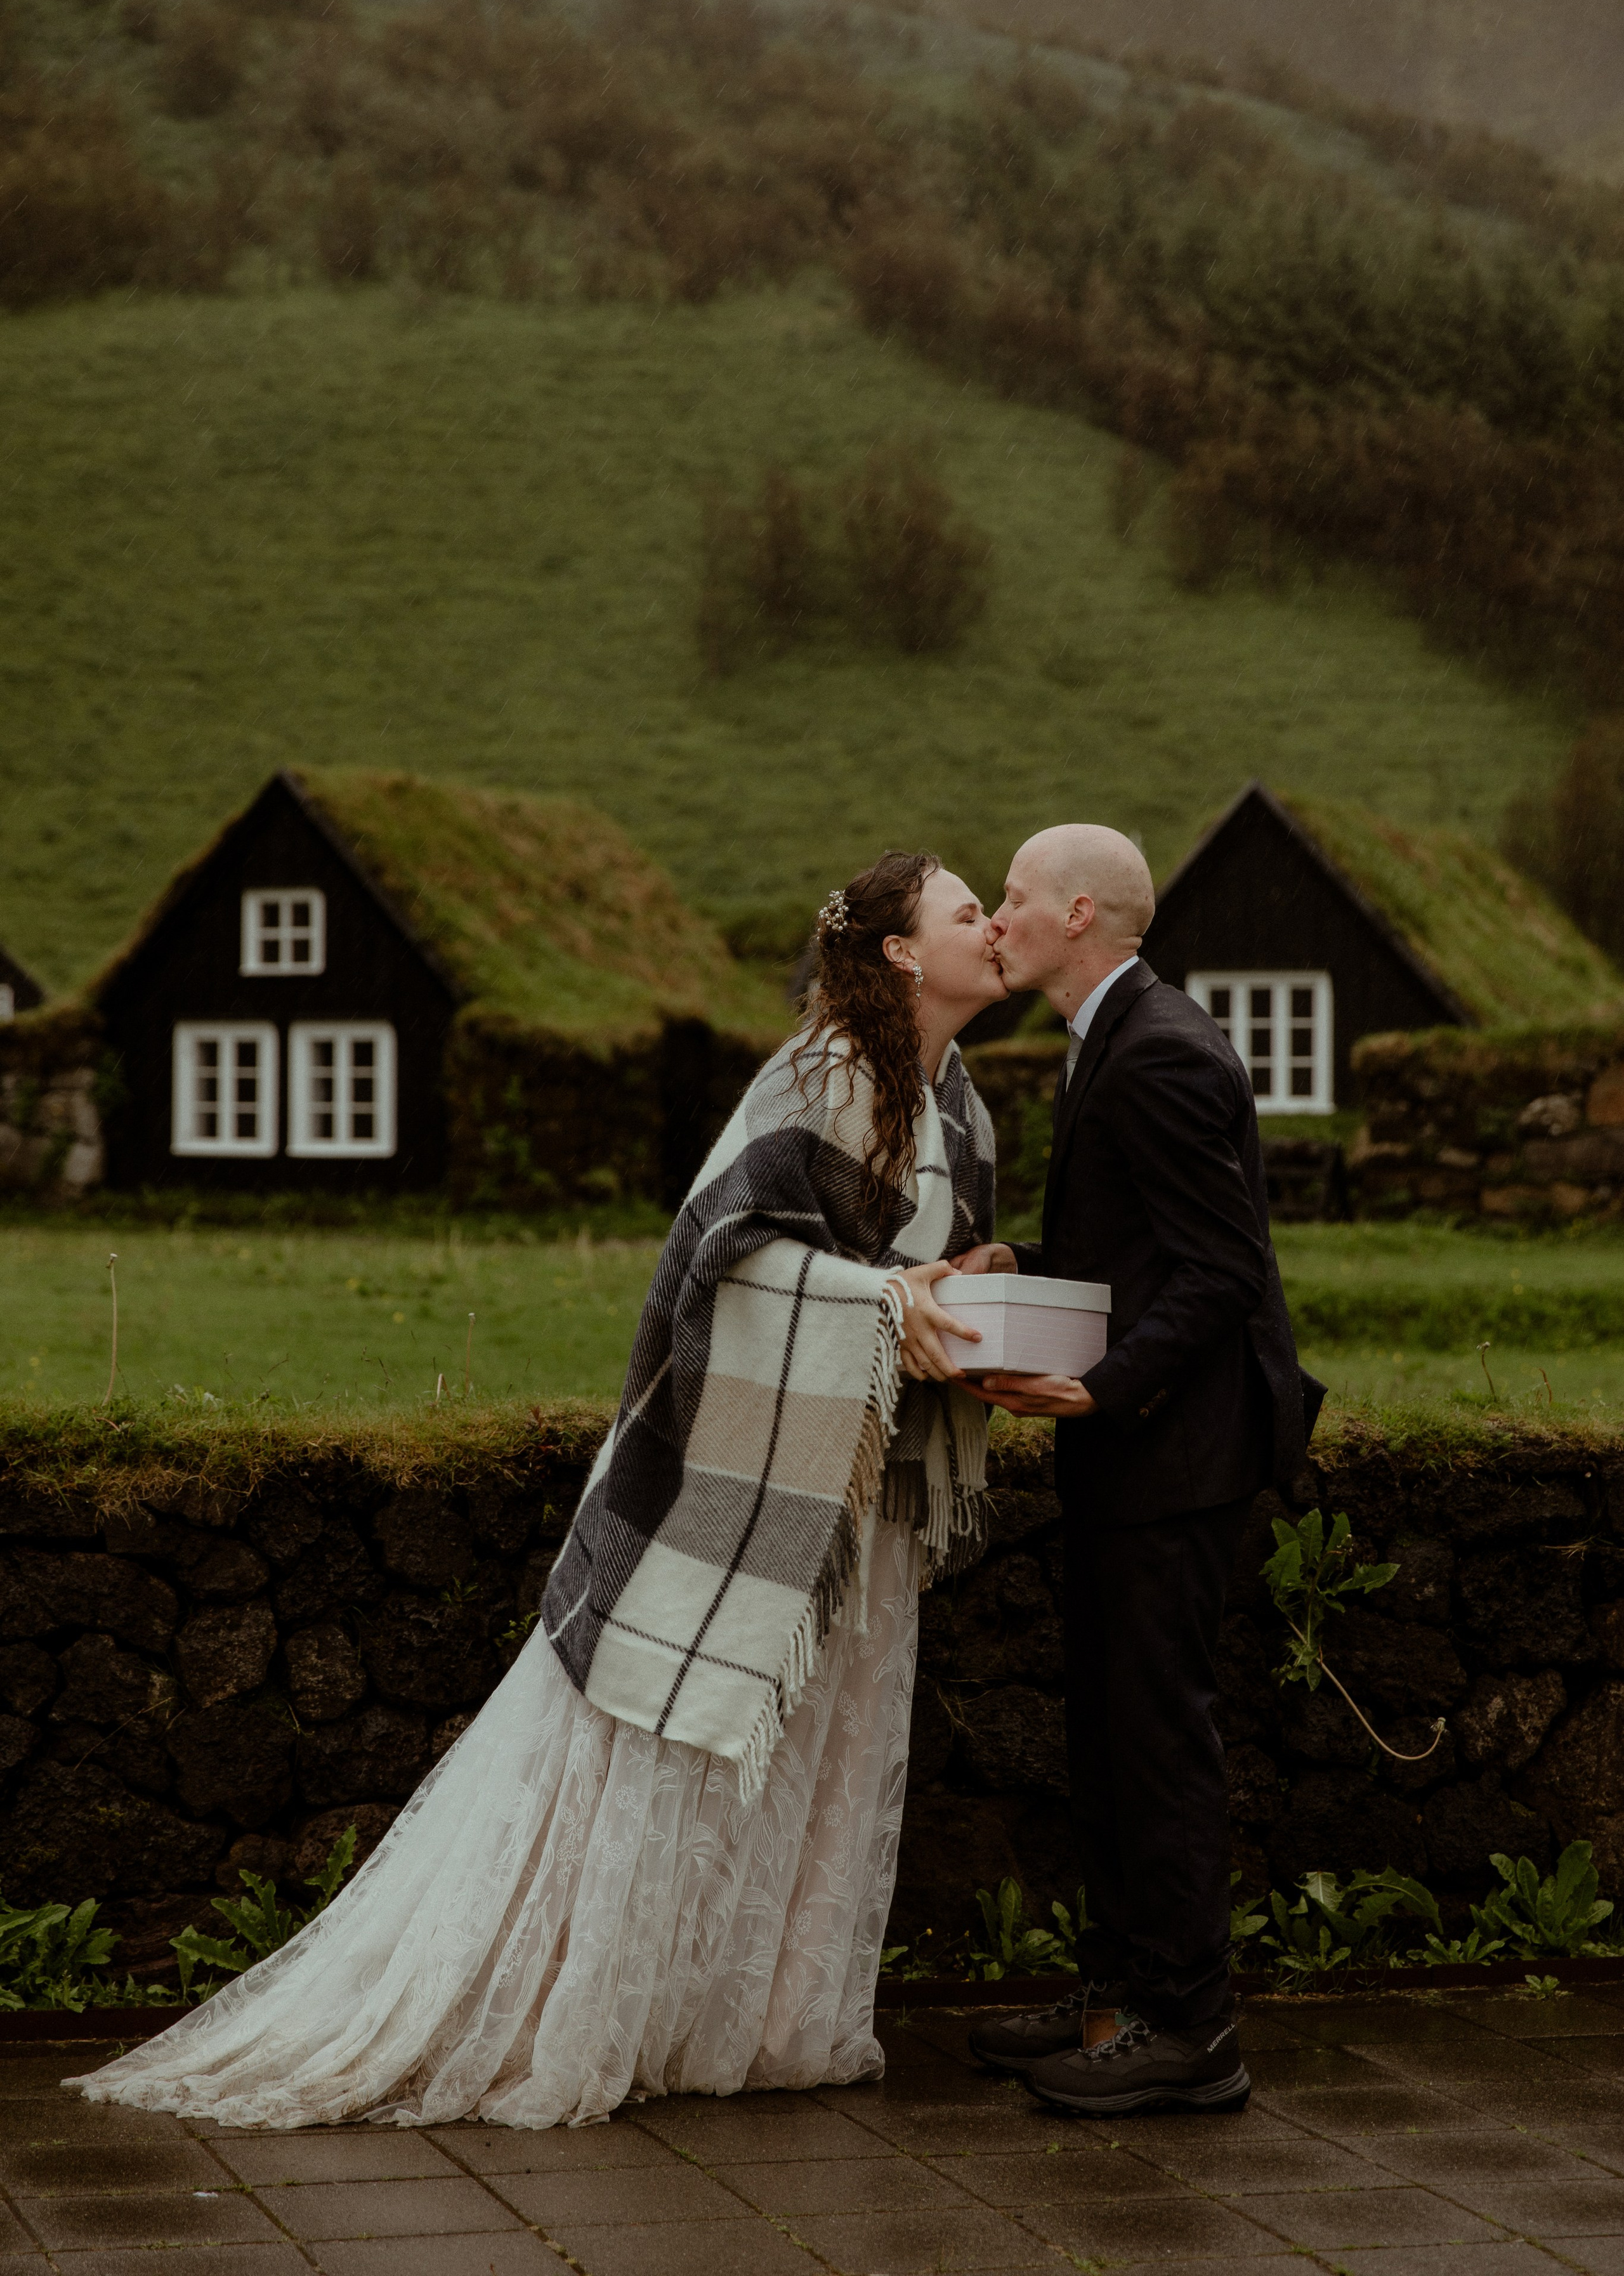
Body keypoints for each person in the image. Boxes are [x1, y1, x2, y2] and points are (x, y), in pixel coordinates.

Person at [69, 851, 1005, 2131]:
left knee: (821, 1757)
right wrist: (891, 1301)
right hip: (745, 1479)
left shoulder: (962, 1106)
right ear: (901, 952)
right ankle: (600, 2013)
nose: (994, 928)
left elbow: (908, 1275)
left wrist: (965, 1298)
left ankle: (759, 2022)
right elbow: (724, 1258)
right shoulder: (819, 1074)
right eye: (967, 911)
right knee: (676, 1755)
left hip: (859, 1496)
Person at [959, 823, 1320, 2117]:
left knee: (1157, 1742)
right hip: (1135, 1446)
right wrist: (1026, 1279)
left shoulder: (1158, 1048)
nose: (992, 919)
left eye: (1007, 899)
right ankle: (1117, 1992)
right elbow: (1145, 1256)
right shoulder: (1113, 1035)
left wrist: (1097, 1387)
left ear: (1075, 914)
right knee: (1108, 1736)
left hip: (1174, 1450)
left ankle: (1193, 2034)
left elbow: (1221, 1278)